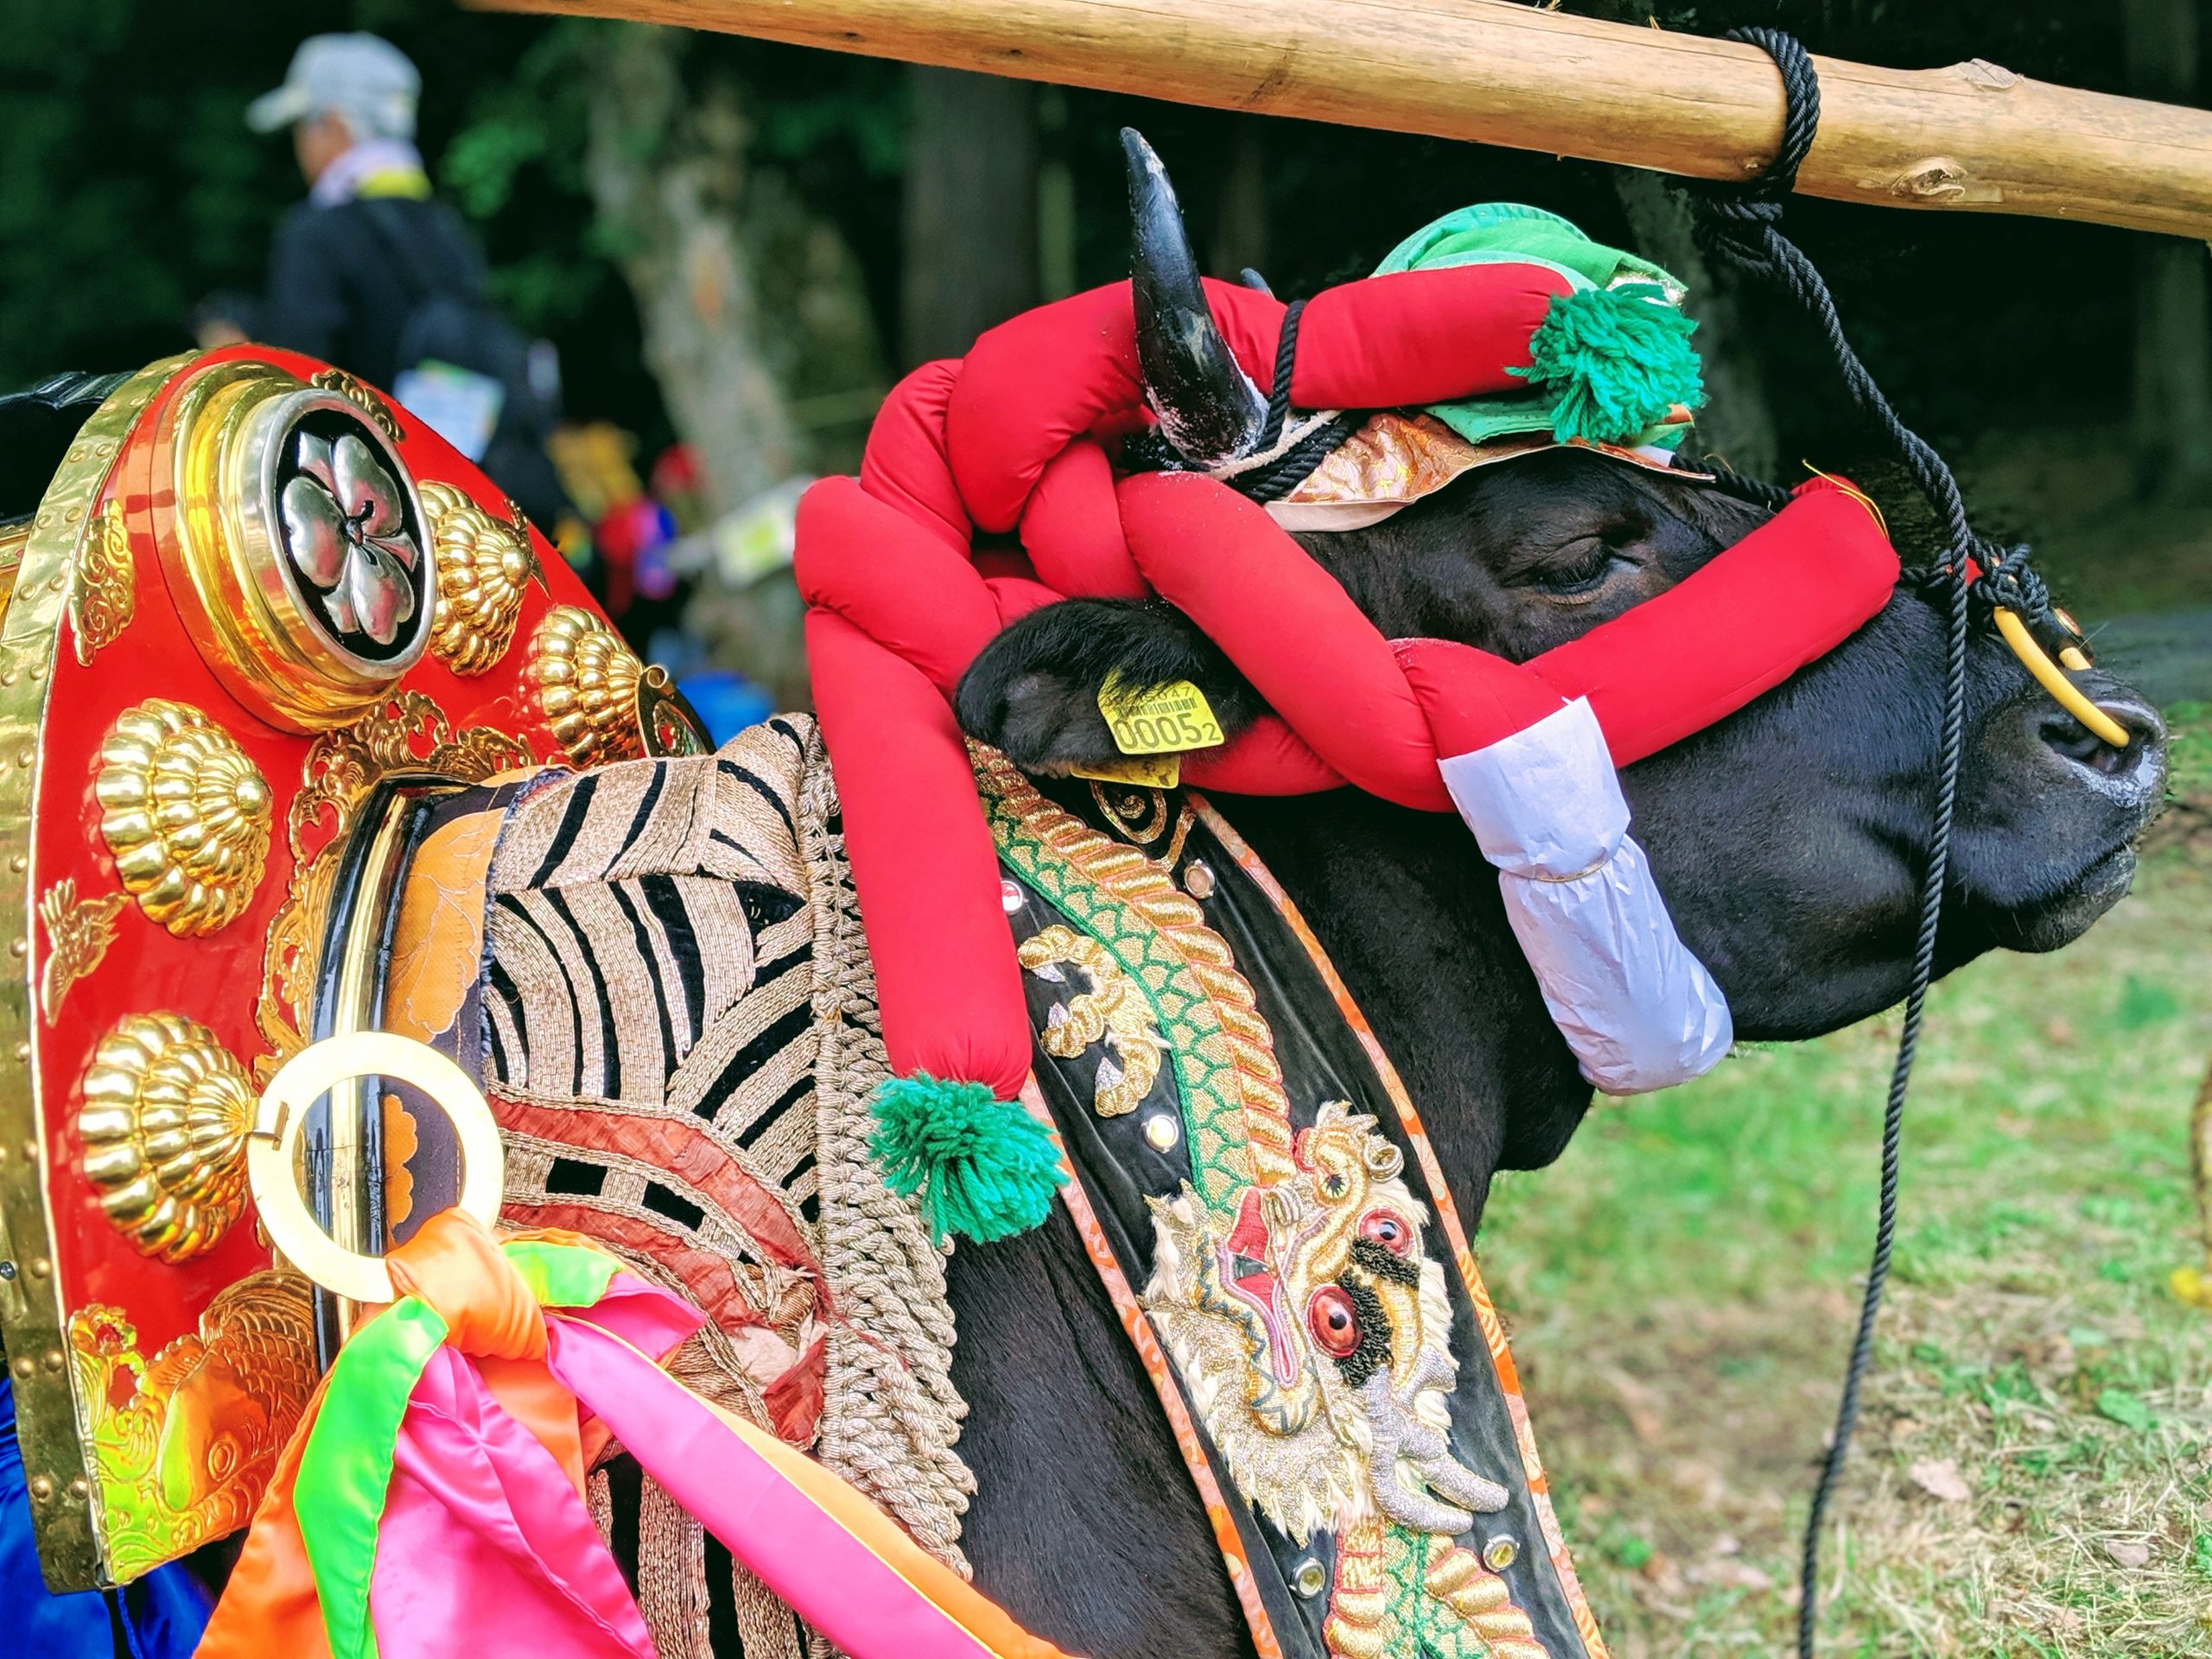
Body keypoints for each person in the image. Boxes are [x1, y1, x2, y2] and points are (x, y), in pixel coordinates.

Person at [245, 34, 569, 526]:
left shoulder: (317, 237)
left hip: (379, 532)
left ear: (331, 125)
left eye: (300, 129)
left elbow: (294, 392)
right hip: (477, 514)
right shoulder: (451, 232)